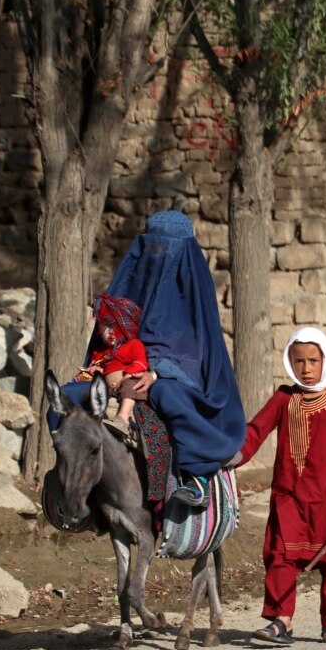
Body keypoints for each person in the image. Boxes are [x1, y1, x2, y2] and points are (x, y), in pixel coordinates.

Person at [54, 209, 247, 506]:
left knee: (167, 395)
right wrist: (99, 368)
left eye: (166, 248)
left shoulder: (192, 292)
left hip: (172, 376)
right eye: (152, 247)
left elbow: (196, 351)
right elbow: (107, 335)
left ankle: (196, 477)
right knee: (67, 396)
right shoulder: (130, 283)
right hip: (115, 371)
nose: (158, 255)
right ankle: (67, 475)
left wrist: (156, 371)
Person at [236, 326, 326, 645]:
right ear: (289, 362)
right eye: (299, 361)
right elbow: (255, 432)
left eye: (313, 360)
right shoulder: (284, 398)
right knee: (280, 554)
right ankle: (280, 620)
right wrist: (231, 456)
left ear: (325, 360)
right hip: (291, 495)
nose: (307, 368)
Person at [73, 293, 148, 442]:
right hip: (108, 389)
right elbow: (87, 375)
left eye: (116, 327)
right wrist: (89, 373)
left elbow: (141, 363)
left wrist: (127, 375)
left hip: (127, 384)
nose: (111, 331)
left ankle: (123, 418)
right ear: (99, 330)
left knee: (132, 383)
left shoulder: (133, 345)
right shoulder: (100, 352)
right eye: (106, 327)